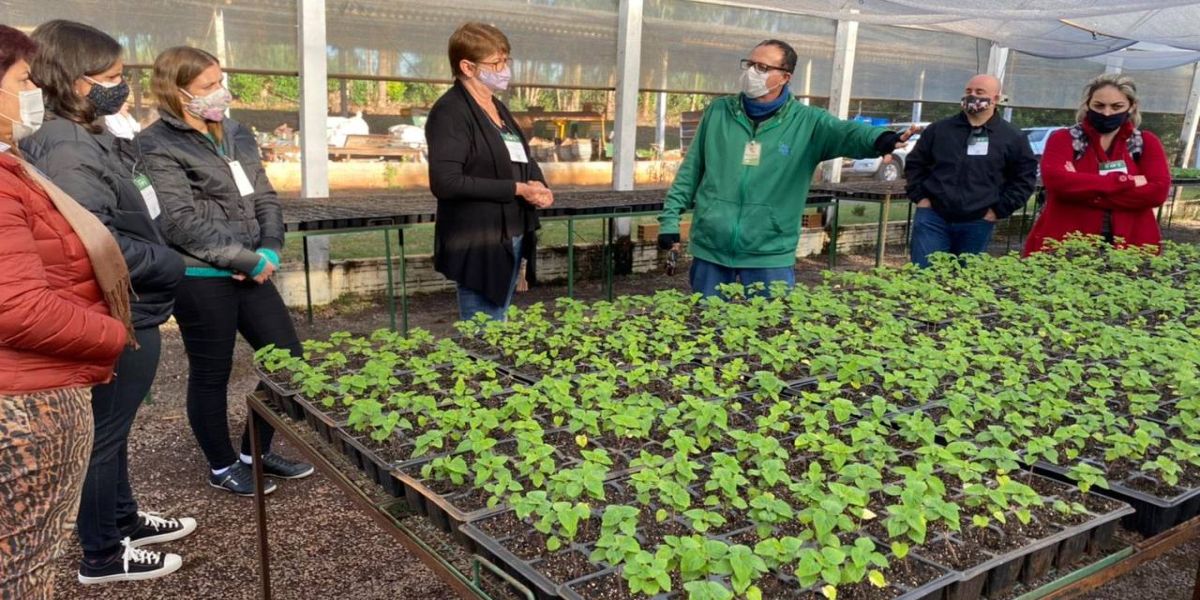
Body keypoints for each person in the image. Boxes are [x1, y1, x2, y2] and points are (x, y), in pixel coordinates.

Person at [22, 20, 192, 585]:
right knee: (104, 434)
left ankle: (122, 518)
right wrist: (173, 264)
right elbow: (96, 243)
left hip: (130, 301)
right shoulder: (68, 150)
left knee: (114, 429)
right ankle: (103, 552)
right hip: (117, 307)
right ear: (74, 81)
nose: (122, 87)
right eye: (113, 77)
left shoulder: (86, 135)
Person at [137, 46, 313, 496]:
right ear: (177, 92)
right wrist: (243, 259)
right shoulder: (156, 144)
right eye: (207, 86)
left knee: (288, 360)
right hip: (201, 278)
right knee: (212, 372)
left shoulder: (236, 131)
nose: (220, 92)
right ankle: (221, 466)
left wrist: (270, 249)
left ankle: (255, 452)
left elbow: (264, 195)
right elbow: (176, 220)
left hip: (255, 268)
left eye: (220, 80)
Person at [0, 25, 129, 599]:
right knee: (24, 567)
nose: (33, 94)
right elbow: (17, 306)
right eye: (23, 80)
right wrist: (113, 334)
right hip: (30, 405)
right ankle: (104, 550)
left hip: (32, 389)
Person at [657, 39, 915, 297]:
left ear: (784, 77)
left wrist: (882, 139)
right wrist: (670, 220)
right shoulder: (719, 112)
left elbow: (846, 132)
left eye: (761, 67)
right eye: (749, 64)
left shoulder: (808, 122)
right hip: (711, 247)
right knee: (705, 328)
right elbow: (691, 171)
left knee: (769, 330)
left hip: (770, 252)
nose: (751, 72)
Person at [426, 22, 553, 321]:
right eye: (496, 63)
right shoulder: (451, 112)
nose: (505, 69)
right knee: (484, 331)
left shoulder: (496, 107)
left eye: (506, 61)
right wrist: (517, 189)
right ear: (468, 67)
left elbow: (520, 155)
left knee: (499, 321)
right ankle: (482, 367)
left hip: (510, 232)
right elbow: (446, 182)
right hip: (479, 239)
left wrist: (539, 185)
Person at [1024, 74, 1171, 255]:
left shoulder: (1145, 142)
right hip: (1065, 240)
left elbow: (1157, 193)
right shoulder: (1065, 139)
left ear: (1131, 107)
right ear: (1087, 104)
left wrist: (1081, 186)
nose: (1107, 113)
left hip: (1132, 243)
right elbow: (1057, 183)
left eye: (1117, 106)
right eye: (1099, 105)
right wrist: (1125, 182)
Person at [905, 74, 1039, 267]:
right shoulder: (939, 130)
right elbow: (916, 164)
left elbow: (1024, 178)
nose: (972, 96)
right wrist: (921, 198)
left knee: (965, 282)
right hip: (933, 216)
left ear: (995, 99)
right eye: (968, 91)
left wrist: (998, 210)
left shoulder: (1012, 137)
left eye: (979, 92)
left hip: (978, 220)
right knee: (925, 275)